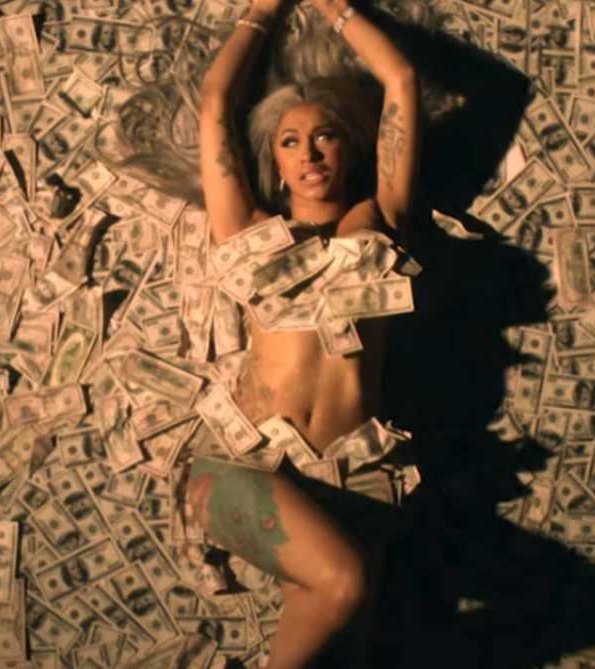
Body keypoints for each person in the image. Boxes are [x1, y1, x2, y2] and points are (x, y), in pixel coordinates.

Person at [185, 0, 421, 667]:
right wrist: (263, 10)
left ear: (350, 145)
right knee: (343, 583)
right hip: (247, 468)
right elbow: (215, 104)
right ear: (274, 159)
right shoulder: (247, 229)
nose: (309, 152)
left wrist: (336, 9)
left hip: (354, 479)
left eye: (326, 136)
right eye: (290, 141)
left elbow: (401, 79)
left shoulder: (382, 220)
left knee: (350, 655)